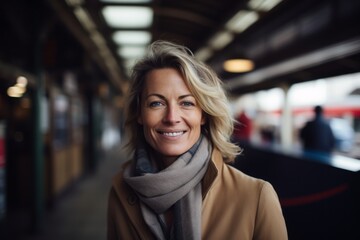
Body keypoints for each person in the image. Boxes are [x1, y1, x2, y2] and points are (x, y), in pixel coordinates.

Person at [107, 40, 288, 240]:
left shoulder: (256, 196)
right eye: (156, 103)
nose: (172, 117)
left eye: (186, 103)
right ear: (139, 113)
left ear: (203, 115)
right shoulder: (120, 191)